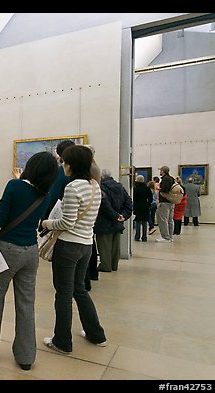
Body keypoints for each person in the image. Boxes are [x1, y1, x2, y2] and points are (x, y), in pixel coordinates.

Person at [0, 151, 58, 371]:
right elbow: (31, 210)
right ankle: (26, 357)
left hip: (7, 251)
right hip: (30, 252)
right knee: (26, 305)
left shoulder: (14, 186)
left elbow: (0, 218)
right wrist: (18, 178)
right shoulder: (46, 195)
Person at [40, 145, 106, 354]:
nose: (62, 164)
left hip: (68, 246)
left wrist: (46, 224)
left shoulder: (73, 187)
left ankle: (62, 341)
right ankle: (96, 334)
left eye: (64, 161)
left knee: (63, 293)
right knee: (79, 290)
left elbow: (66, 222)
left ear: (71, 164)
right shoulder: (94, 185)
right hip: (86, 245)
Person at [94, 169, 133, 272]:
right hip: (118, 222)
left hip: (104, 222)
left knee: (104, 245)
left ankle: (106, 266)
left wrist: (115, 216)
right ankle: (114, 265)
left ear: (101, 177)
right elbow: (128, 202)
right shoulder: (120, 187)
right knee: (115, 245)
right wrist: (123, 215)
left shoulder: (101, 187)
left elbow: (104, 205)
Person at [83, 144, 101, 291]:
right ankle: (91, 273)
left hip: (86, 209)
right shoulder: (94, 166)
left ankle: (87, 276)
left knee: (88, 244)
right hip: (91, 209)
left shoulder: (90, 167)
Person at [156, 166, 175, 242]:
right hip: (170, 202)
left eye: (160, 170)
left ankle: (165, 237)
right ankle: (170, 236)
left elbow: (165, 189)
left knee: (162, 220)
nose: (160, 171)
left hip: (164, 202)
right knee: (170, 220)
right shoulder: (171, 178)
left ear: (163, 171)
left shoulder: (166, 179)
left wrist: (159, 189)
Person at [133, 175, 153, 241]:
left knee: (138, 221)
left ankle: (137, 236)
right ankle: (144, 237)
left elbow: (134, 198)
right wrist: (148, 204)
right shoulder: (147, 188)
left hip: (137, 206)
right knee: (144, 222)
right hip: (145, 206)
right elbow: (151, 198)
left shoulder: (135, 189)